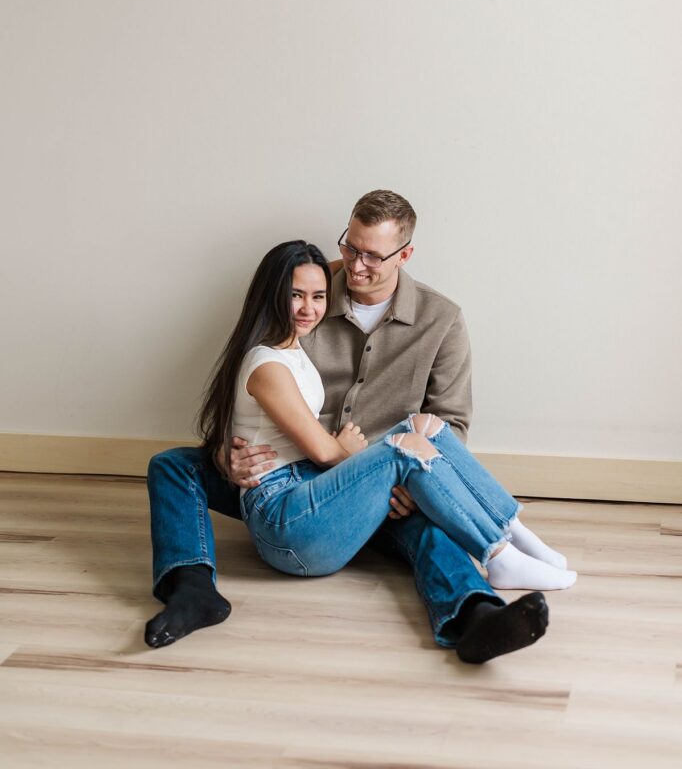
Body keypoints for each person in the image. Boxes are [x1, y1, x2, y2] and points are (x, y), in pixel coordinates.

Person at [145, 191, 575, 661]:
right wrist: (227, 453)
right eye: (350, 247)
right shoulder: (306, 288)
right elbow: (256, 390)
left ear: (404, 254)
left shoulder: (441, 319)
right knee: (175, 465)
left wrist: (412, 485)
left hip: (381, 479)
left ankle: (476, 614)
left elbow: (449, 423)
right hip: (300, 475)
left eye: (372, 254)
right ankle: (189, 585)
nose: (355, 264)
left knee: (427, 515)